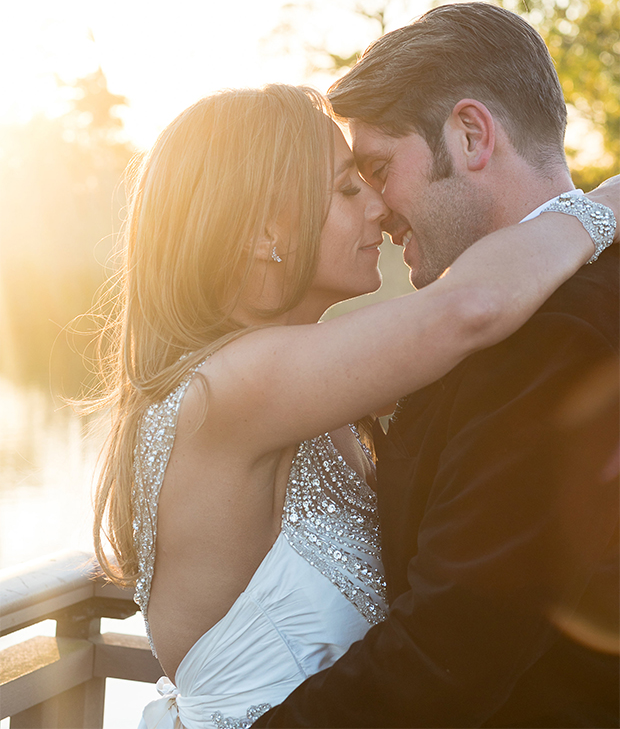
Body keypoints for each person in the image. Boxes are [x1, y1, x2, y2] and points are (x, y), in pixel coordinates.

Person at [91, 81, 617, 729]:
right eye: (348, 189)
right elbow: (467, 308)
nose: (381, 207)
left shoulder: (306, 384)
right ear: (264, 232)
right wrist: (601, 205)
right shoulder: (231, 387)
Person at [253, 3, 620, 728]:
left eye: (381, 168)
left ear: (472, 134)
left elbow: (448, 654)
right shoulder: (551, 298)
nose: (378, 209)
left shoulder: (559, 333)